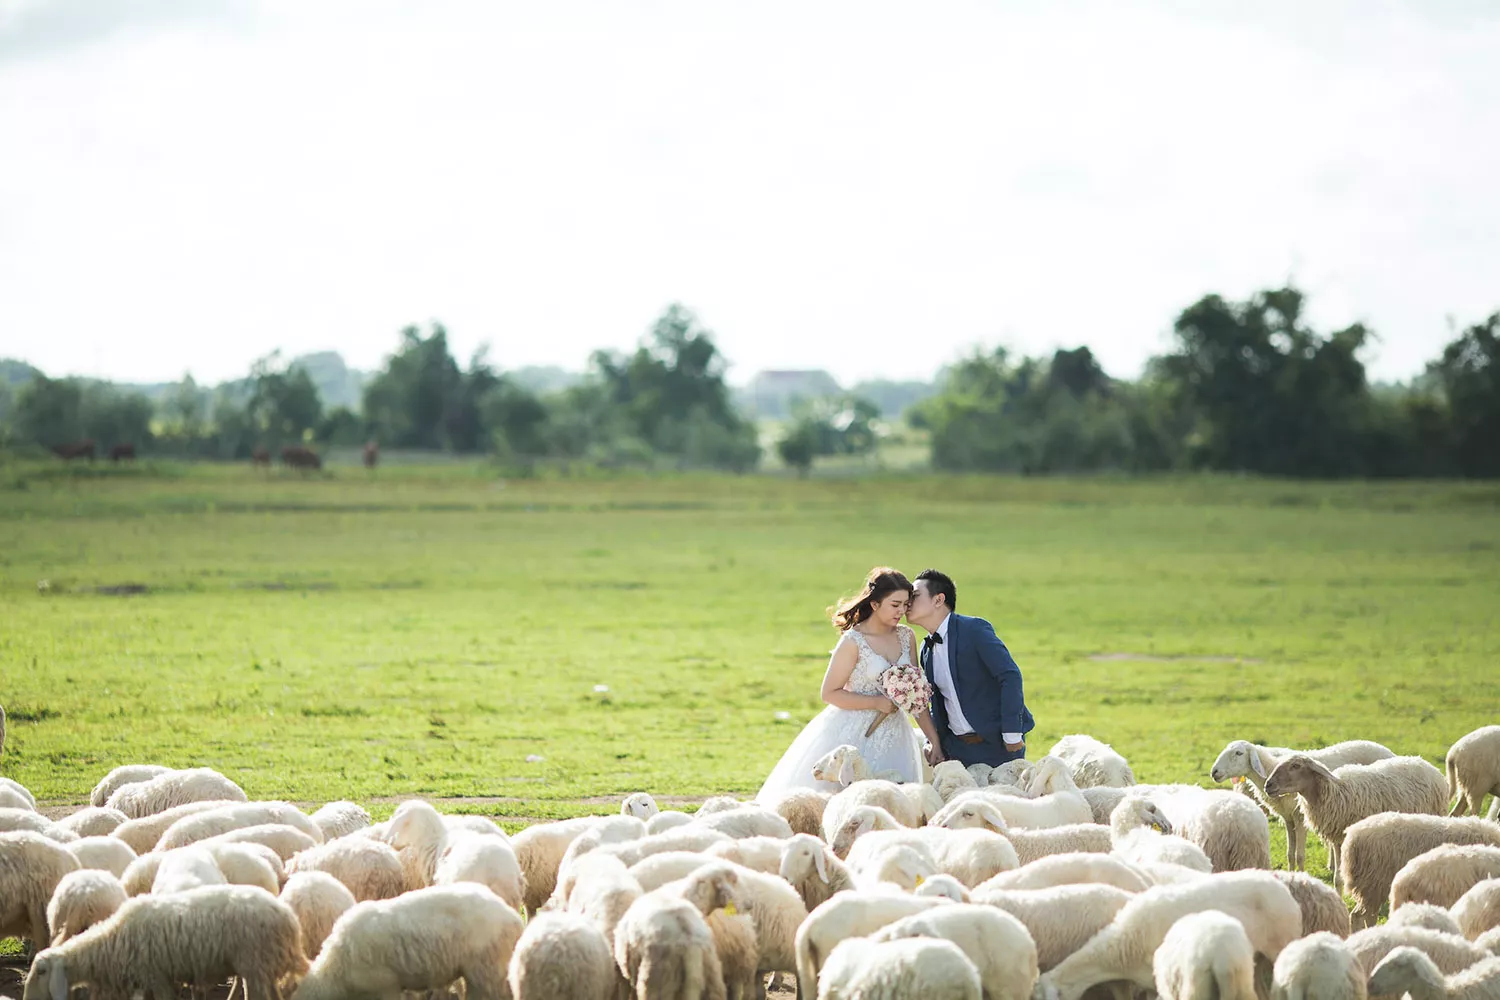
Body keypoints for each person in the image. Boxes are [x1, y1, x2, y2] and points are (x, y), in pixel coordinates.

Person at [756, 567, 944, 803]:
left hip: (895, 735)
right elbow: (829, 693)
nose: (902, 611)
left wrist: (933, 739)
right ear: (875, 604)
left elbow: (915, 695)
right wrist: (876, 701)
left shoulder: (907, 637)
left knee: (893, 800)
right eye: (895, 605)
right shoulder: (854, 641)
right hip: (853, 732)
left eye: (906, 604)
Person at [904, 568, 1034, 767]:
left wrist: (1011, 733)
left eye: (915, 596)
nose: (908, 602)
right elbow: (938, 701)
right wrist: (935, 742)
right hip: (957, 750)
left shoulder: (973, 629)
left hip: (998, 745)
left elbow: (1010, 676)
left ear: (938, 600)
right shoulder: (925, 649)